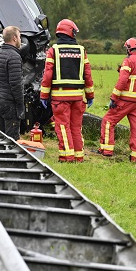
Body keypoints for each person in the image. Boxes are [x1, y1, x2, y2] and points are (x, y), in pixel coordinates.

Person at [39, 19, 95, 163]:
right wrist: (90, 95)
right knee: (76, 127)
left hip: (60, 98)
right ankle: (78, 156)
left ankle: (67, 157)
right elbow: (87, 75)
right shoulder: (82, 51)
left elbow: (47, 75)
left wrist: (44, 95)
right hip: (77, 97)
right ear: (70, 32)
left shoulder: (53, 51)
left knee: (63, 127)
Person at [99, 37, 136, 163]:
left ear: (129, 48)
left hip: (125, 100)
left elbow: (122, 80)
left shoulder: (128, 61)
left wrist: (114, 97)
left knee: (108, 121)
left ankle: (106, 150)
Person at [0, 25, 25, 139]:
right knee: (12, 141)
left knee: (0, 139)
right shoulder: (14, 57)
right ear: (14, 38)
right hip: (9, 104)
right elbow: (16, 84)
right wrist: (20, 105)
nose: (20, 40)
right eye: (19, 37)